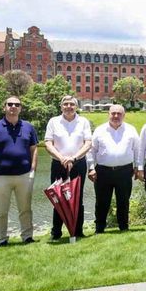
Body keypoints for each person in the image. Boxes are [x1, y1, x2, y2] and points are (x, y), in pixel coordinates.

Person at [0, 96, 38, 247]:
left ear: (21, 108)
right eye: (10, 104)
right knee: (1, 211)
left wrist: (33, 170)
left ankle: (27, 237)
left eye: (17, 104)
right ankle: (1, 240)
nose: (13, 106)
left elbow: (34, 149)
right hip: (1, 176)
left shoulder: (28, 127)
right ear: (4, 107)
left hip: (24, 175)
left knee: (25, 209)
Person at [44, 95, 92, 240]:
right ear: (61, 107)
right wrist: (62, 157)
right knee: (58, 197)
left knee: (78, 198)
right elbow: (48, 143)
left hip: (78, 164)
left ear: (76, 107)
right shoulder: (53, 121)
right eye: (66, 104)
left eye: (72, 104)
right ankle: (56, 233)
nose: (69, 107)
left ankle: (78, 231)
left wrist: (74, 157)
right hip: (59, 164)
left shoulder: (83, 122)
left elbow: (88, 143)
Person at [87, 104, 139, 233]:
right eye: (113, 113)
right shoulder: (99, 130)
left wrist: (138, 167)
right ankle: (99, 228)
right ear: (108, 114)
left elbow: (137, 150)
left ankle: (124, 227)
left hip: (125, 171)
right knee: (102, 201)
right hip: (103, 171)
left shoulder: (131, 130)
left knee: (123, 200)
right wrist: (91, 168)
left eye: (119, 113)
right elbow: (91, 151)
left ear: (124, 115)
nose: (116, 116)